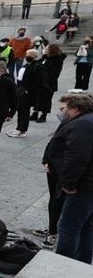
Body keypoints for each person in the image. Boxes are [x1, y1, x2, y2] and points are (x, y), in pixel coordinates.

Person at [48, 94, 93, 263]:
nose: (61, 112)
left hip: (83, 187)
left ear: (75, 109)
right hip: (88, 186)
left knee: (69, 228)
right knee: (86, 228)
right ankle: (82, 264)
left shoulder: (83, 125)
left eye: (63, 109)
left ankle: (64, 266)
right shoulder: (87, 121)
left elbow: (76, 157)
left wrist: (68, 184)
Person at [7, 50, 48, 138]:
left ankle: (22, 130)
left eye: (29, 55)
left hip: (28, 93)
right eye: (27, 55)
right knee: (20, 111)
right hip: (21, 91)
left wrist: (27, 90)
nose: (27, 56)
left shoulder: (39, 67)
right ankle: (19, 128)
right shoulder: (27, 65)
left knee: (24, 111)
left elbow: (41, 82)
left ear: (35, 57)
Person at [38, 44, 67, 123]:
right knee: (38, 99)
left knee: (46, 99)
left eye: (47, 48)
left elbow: (54, 73)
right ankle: (35, 113)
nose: (45, 49)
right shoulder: (45, 57)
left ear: (52, 50)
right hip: (40, 82)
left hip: (50, 83)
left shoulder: (57, 60)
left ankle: (44, 115)